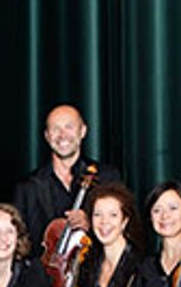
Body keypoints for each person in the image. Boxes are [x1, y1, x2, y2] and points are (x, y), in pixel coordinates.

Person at [12, 104, 123, 244]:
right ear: (47, 136)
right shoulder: (27, 187)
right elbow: (19, 241)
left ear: (83, 131)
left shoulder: (108, 177)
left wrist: (93, 224)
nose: (62, 135)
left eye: (69, 127)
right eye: (55, 129)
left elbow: (125, 230)